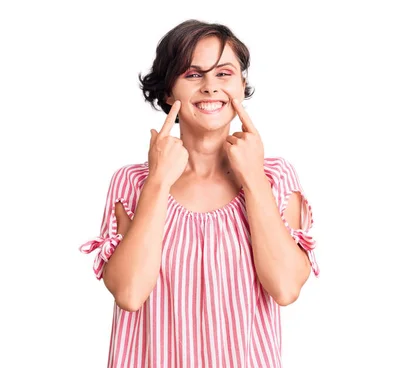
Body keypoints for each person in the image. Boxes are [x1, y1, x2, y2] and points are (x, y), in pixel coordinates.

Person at [79, 19, 319, 368]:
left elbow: (284, 288)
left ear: (242, 85)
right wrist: (158, 183)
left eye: (224, 74)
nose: (210, 87)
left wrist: (253, 179)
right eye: (193, 74)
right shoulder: (132, 182)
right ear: (167, 91)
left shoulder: (275, 176)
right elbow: (129, 294)